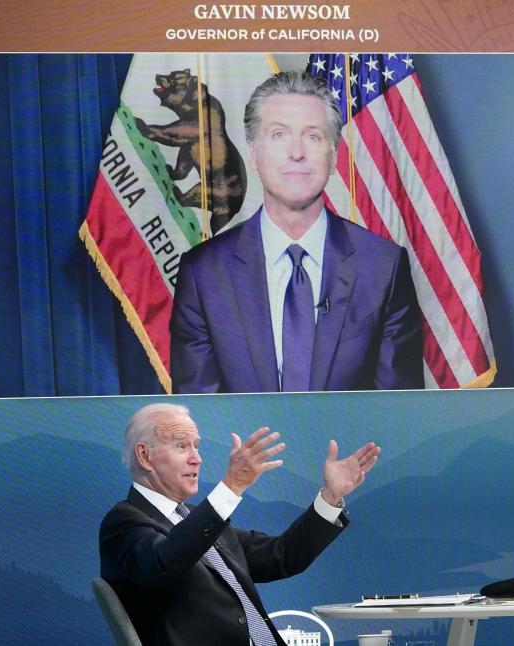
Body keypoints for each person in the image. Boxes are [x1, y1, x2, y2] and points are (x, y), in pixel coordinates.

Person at [170, 70, 424, 393]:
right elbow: (201, 419)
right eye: (279, 135)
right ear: (252, 152)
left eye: (313, 136)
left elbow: (398, 412)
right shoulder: (203, 274)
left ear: (333, 156)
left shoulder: (383, 268)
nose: (296, 152)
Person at [99, 403, 380, 646]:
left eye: (197, 446)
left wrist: (331, 497)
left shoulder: (196, 518)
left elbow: (281, 556)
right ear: (144, 456)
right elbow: (165, 564)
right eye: (181, 445)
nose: (197, 458)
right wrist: (231, 486)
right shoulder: (125, 523)